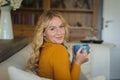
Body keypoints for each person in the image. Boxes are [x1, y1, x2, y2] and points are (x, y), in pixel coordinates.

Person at [26, 10, 89, 80]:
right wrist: (78, 63)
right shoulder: (59, 50)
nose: (59, 32)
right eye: (52, 29)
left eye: (61, 27)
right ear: (43, 33)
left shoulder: (44, 48)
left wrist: (74, 60)